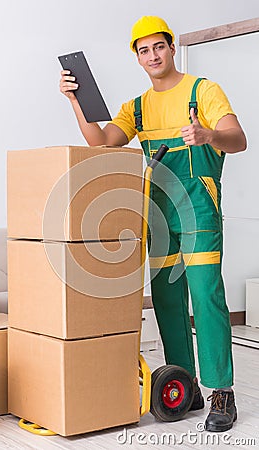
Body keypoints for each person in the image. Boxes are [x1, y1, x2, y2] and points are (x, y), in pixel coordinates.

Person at [59, 16, 246, 432]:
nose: (153, 55)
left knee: (205, 297)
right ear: (138, 57)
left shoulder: (203, 90)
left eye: (159, 47)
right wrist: (75, 100)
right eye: (144, 50)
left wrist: (208, 135)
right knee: (167, 302)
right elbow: (102, 142)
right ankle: (188, 385)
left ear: (171, 48)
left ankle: (222, 393)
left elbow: (239, 138)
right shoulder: (138, 107)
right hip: (159, 216)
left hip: (198, 211)